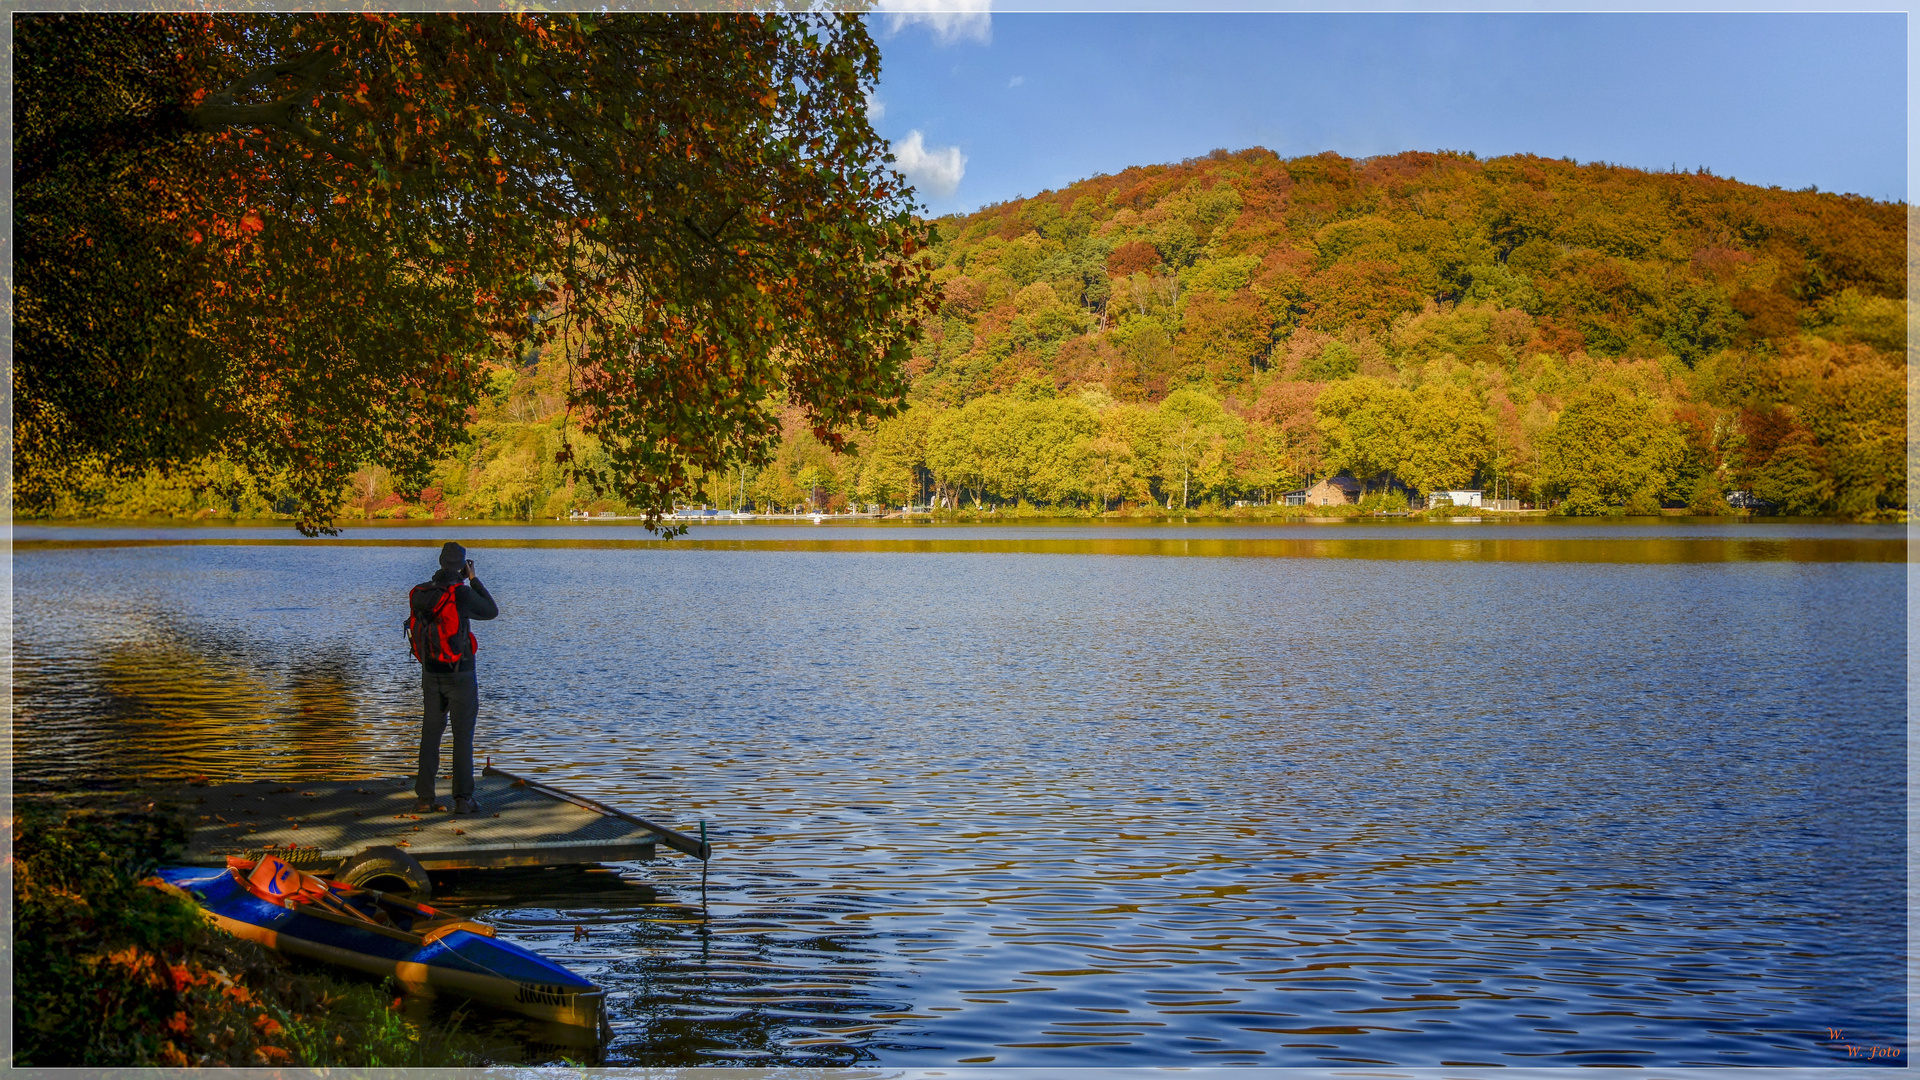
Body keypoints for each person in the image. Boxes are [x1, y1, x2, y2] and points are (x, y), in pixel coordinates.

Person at [409, 542, 499, 813]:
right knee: (462, 736)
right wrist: (473, 579)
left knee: (430, 734)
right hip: (460, 674)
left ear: (439, 563)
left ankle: (425, 799)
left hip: (431, 672)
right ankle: (463, 799)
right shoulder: (461, 594)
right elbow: (491, 611)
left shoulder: (422, 593)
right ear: (462, 565)